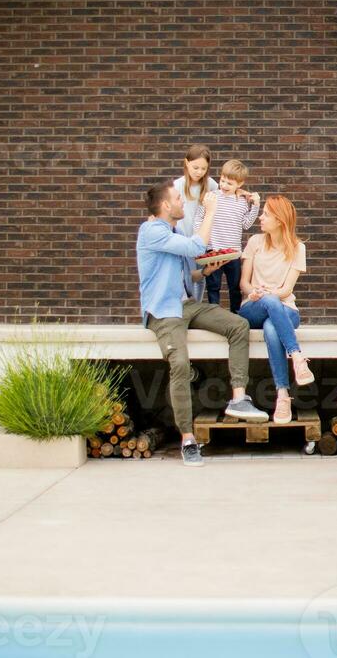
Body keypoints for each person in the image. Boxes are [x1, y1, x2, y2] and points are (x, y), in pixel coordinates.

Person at [137, 180, 267, 467]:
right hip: (164, 312)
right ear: (165, 205)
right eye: (177, 199)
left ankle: (238, 398)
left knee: (238, 326)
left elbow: (189, 276)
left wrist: (206, 271)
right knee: (180, 365)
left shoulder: (170, 232)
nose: (183, 203)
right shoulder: (151, 230)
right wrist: (211, 210)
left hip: (187, 306)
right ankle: (188, 440)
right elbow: (196, 245)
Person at [238, 195, 312, 425]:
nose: (261, 217)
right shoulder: (255, 243)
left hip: (285, 308)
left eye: (266, 214)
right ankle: (297, 356)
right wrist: (254, 293)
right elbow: (244, 284)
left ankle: (282, 395)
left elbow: (287, 289)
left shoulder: (298, 248)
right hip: (253, 306)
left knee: (272, 328)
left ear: (280, 220)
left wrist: (270, 293)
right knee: (269, 304)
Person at [193, 158, 260, 313]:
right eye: (222, 180)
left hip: (233, 253)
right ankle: (214, 314)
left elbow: (246, 224)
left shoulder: (242, 201)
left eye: (229, 183)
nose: (224, 185)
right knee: (213, 286)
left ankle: (236, 313)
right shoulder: (211, 196)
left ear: (240, 184)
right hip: (213, 250)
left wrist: (255, 205)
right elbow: (199, 218)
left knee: (235, 287)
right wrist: (199, 237)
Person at [173, 143, 219, 302]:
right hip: (183, 241)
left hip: (202, 241)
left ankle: (196, 306)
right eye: (195, 167)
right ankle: (184, 307)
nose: (199, 172)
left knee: (200, 276)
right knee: (185, 276)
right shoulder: (177, 185)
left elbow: (227, 195)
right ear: (186, 163)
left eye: (203, 169)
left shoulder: (211, 185)